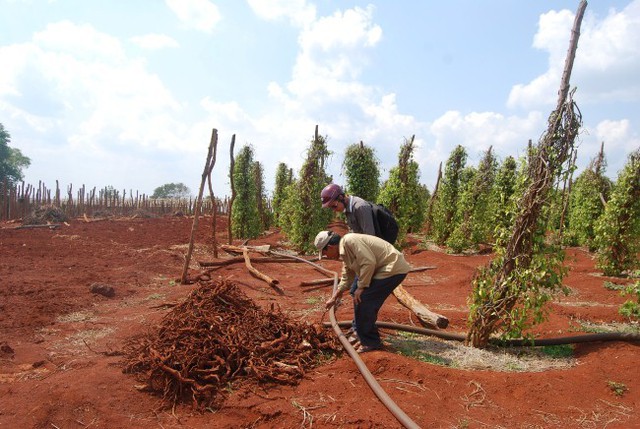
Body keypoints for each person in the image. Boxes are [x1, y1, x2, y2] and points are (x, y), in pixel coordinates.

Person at [314, 230, 410, 353]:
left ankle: (371, 342)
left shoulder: (350, 241)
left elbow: (368, 262)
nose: (327, 256)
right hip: (378, 269)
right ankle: (358, 328)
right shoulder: (345, 252)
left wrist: (362, 286)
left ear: (331, 247)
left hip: (391, 268)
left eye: (325, 252)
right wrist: (335, 297)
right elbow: (347, 278)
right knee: (355, 291)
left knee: (364, 299)